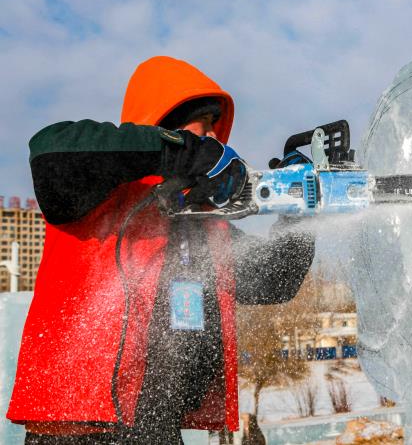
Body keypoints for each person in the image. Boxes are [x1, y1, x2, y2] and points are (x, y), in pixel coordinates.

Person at [7, 56, 315, 444]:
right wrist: (178, 151)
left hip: (159, 430)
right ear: (159, 126)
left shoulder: (202, 225)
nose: (212, 142)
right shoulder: (96, 194)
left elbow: (275, 279)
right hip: (79, 430)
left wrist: (299, 213)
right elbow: (49, 149)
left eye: (214, 134)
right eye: (198, 131)